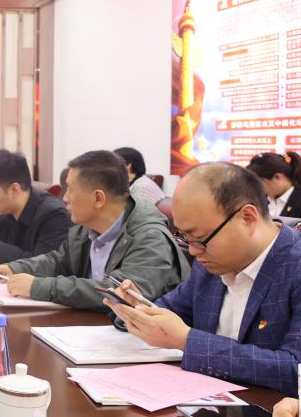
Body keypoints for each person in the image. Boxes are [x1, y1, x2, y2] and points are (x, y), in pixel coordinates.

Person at [106, 162, 301, 395]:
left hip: (269, 412)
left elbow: (294, 369)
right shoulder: (210, 263)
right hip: (201, 401)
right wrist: (136, 309)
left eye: (199, 238)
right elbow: (169, 309)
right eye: (184, 237)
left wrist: (186, 340)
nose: (193, 251)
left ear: (248, 218)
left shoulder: (294, 266)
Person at [0, 150, 189, 310]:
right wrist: (17, 268)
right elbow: (58, 261)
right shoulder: (85, 229)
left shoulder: (150, 237)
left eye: (70, 190)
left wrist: (40, 287)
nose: (64, 198)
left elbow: (120, 293)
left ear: (98, 198)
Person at [247, 151, 301, 219]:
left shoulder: (298, 200)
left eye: (259, 183)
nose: (257, 188)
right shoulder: (260, 200)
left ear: (277, 177)